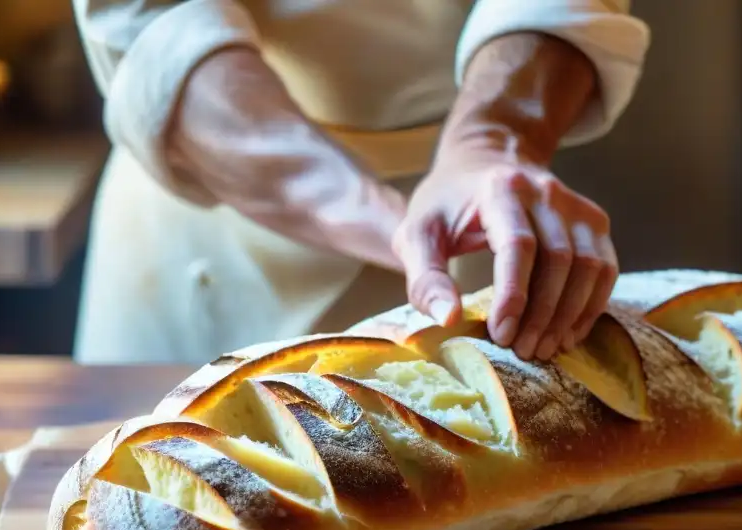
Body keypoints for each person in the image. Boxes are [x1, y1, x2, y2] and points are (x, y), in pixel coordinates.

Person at [70, 0, 651, 365]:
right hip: (203, 239)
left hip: (481, 221)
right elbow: (155, 26)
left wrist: (491, 142)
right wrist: (406, 233)